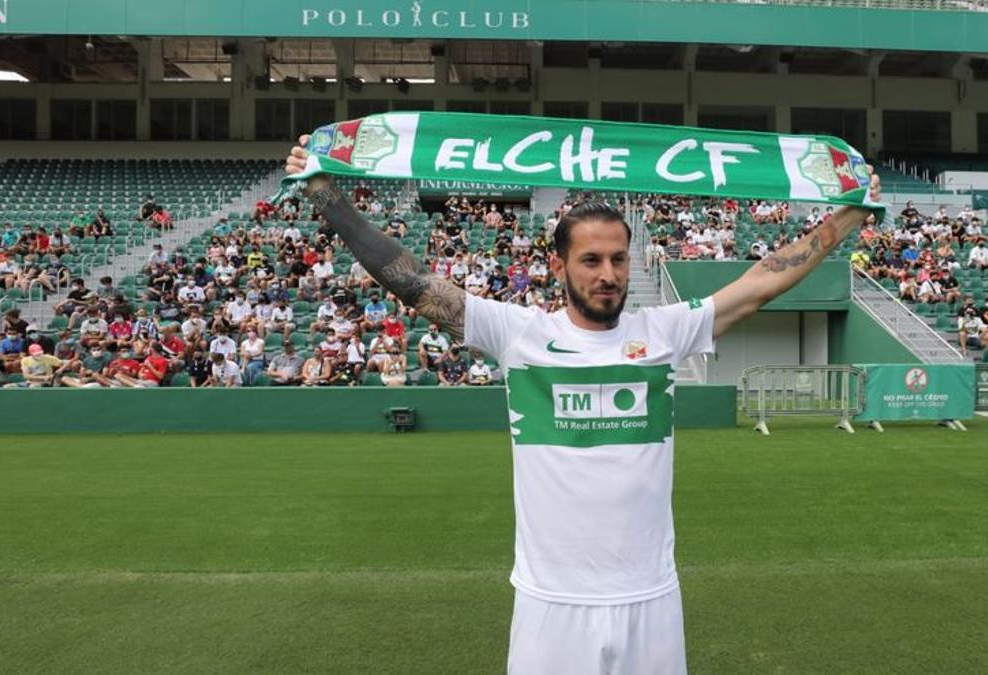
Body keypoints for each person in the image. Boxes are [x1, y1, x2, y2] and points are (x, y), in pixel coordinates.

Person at [285, 137, 882, 672]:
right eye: (591, 261)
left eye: (619, 260)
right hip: (552, 603)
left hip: (650, 597)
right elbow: (410, 281)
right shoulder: (514, 332)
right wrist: (326, 196)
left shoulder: (666, 330)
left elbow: (762, 282)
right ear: (559, 266)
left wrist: (850, 213)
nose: (608, 274)